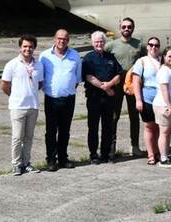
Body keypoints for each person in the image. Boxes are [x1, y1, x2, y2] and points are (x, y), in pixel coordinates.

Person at [40, 29, 81, 171]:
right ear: (54, 39)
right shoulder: (44, 56)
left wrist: (67, 89)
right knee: (51, 131)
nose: (61, 41)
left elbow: (77, 79)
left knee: (65, 130)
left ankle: (63, 158)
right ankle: (51, 160)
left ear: (68, 40)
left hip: (69, 99)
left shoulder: (75, 56)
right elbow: (40, 77)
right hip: (51, 99)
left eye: (64, 39)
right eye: (59, 38)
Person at [2, 35, 44, 175]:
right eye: (25, 46)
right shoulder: (12, 64)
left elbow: (40, 84)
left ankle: (26, 163)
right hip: (17, 107)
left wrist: (29, 93)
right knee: (17, 137)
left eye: (31, 47)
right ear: (20, 48)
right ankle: (16, 163)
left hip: (33, 106)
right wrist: (16, 96)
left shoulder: (39, 65)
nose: (28, 49)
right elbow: (5, 85)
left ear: (34, 48)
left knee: (29, 137)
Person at [104, 17, 144, 158]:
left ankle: (135, 146)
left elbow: (145, 60)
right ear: (120, 28)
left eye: (129, 27)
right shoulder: (111, 46)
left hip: (133, 83)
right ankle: (111, 147)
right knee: (114, 115)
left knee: (134, 116)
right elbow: (103, 59)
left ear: (133, 28)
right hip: (117, 83)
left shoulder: (139, 45)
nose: (126, 29)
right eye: (124, 27)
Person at [83, 31, 122, 164]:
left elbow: (119, 75)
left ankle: (105, 154)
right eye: (96, 42)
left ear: (105, 42)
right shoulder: (88, 58)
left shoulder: (111, 57)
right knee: (93, 127)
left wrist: (110, 84)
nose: (99, 44)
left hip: (109, 99)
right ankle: (93, 154)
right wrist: (105, 88)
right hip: (94, 98)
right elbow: (89, 77)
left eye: (101, 41)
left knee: (108, 127)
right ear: (93, 43)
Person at [132, 37, 163, 165]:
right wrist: (138, 100)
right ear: (147, 47)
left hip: (161, 99)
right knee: (149, 126)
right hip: (147, 98)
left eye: (156, 45)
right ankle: (150, 154)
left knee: (159, 127)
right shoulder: (142, 61)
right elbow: (136, 81)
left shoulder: (163, 61)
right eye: (151, 45)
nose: (153, 47)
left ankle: (157, 151)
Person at [153, 46, 171, 168]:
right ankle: (163, 159)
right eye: (169, 56)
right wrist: (170, 106)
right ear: (164, 57)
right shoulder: (164, 71)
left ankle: (165, 154)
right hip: (164, 106)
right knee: (164, 132)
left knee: (168, 132)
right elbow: (164, 90)